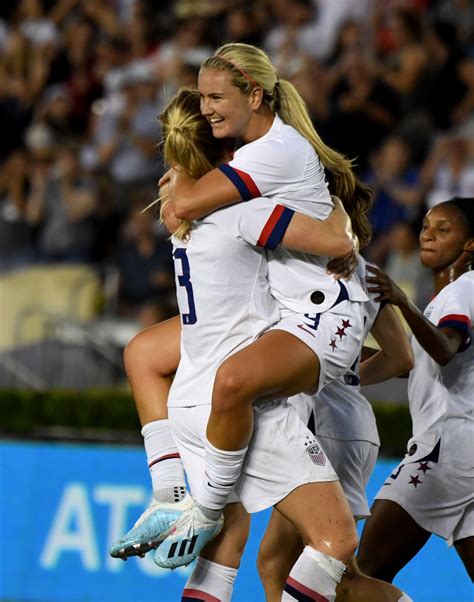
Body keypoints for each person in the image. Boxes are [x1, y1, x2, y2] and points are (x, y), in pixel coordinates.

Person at [111, 86, 365, 602]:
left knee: (218, 558)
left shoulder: (173, 211)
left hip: (186, 398)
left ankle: (170, 490)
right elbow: (337, 240)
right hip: (241, 408)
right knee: (335, 543)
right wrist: (337, 209)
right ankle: (195, 505)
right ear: (231, 156)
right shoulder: (244, 213)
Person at [157, 42, 373, 569]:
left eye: (216, 96)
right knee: (277, 562)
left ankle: (198, 503)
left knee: (230, 382)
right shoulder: (262, 158)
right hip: (292, 315)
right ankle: (168, 494)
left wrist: (177, 175)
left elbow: (183, 204)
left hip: (323, 317)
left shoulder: (270, 152)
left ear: (254, 95)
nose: (208, 109)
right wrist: (340, 221)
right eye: (202, 100)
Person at [256, 255, 414, 602]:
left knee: (325, 574)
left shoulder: (286, 260)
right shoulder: (365, 270)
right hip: (351, 424)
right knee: (279, 562)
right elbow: (401, 357)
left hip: (321, 428)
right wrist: (347, 381)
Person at [357, 197, 474, 583]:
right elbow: (423, 363)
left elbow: (444, 349)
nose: (428, 235)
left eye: (444, 230)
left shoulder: (461, 292)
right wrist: (341, 363)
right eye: (426, 226)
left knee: (363, 576)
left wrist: (401, 301)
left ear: (470, 244)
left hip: (443, 447)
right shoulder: (452, 296)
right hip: (464, 451)